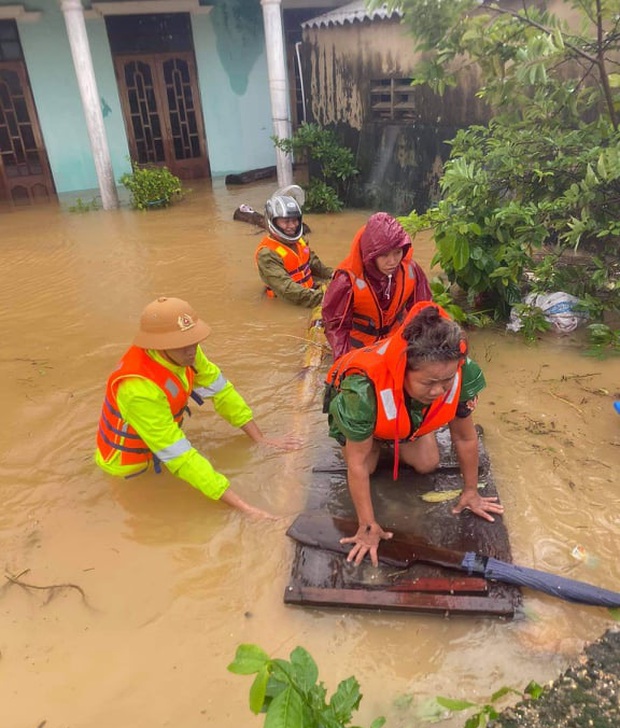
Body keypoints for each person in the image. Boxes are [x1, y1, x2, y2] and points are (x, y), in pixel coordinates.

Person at [324, 301, 504, 566]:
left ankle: (411, 428)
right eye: (429, 383)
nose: (440, 391)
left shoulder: (460, 371)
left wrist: (470, 492)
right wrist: (367, 526)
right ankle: (380, 437)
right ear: (402, 371)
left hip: (402, 417)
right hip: (366, 416)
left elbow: (465, 437)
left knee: (428, 463)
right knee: (368, 465)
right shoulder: (362, 390)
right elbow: (358, 464)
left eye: (447, 380)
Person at [95, 296, 300, 520]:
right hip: (131, 471)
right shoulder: (138, 389)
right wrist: (244, 507)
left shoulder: (186, 353)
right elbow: (180, 456)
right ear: (160, 346)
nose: (193, 349)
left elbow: (222, 391)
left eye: (194, 340)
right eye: (183, 344)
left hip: (157, 449)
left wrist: (260, 439)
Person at [321, 211, 432, 360]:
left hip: (395, 344)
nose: (392, 261)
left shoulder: (411, 270)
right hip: (360, 352)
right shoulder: (346, 281)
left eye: (397, 252)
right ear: (370, 256)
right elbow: (336, 328)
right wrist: (343, 363)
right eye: (384, 255)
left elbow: (423, 310)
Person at [254, 193, 333, 307]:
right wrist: (326, 299)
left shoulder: (299, 241)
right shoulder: (267, 254)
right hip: (286, 303)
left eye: (295, 220)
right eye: (286, 221)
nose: (292, 226)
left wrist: (335, 275)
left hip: (309, 292)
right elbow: (287, 289)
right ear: (273, 222)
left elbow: (315, 264)